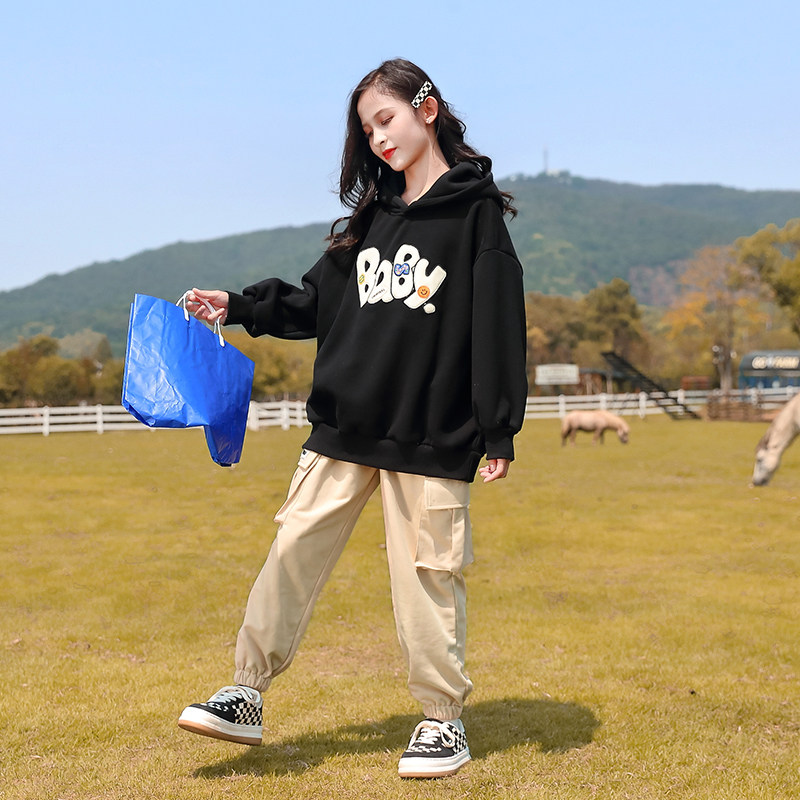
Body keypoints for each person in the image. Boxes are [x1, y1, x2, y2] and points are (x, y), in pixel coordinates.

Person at [177, 58, 527, 779]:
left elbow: (498, 322)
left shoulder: (475, 215)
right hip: (344, 425)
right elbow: (315, 301)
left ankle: (442, 723)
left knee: (427, 578)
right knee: (291, 551)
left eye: (385, 119)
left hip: (430, 433)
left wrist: (498, 427)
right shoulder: (372, 216)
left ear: (426, 108)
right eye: (367, 130)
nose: (377, 138)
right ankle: (245, 693)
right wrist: (237, 306)